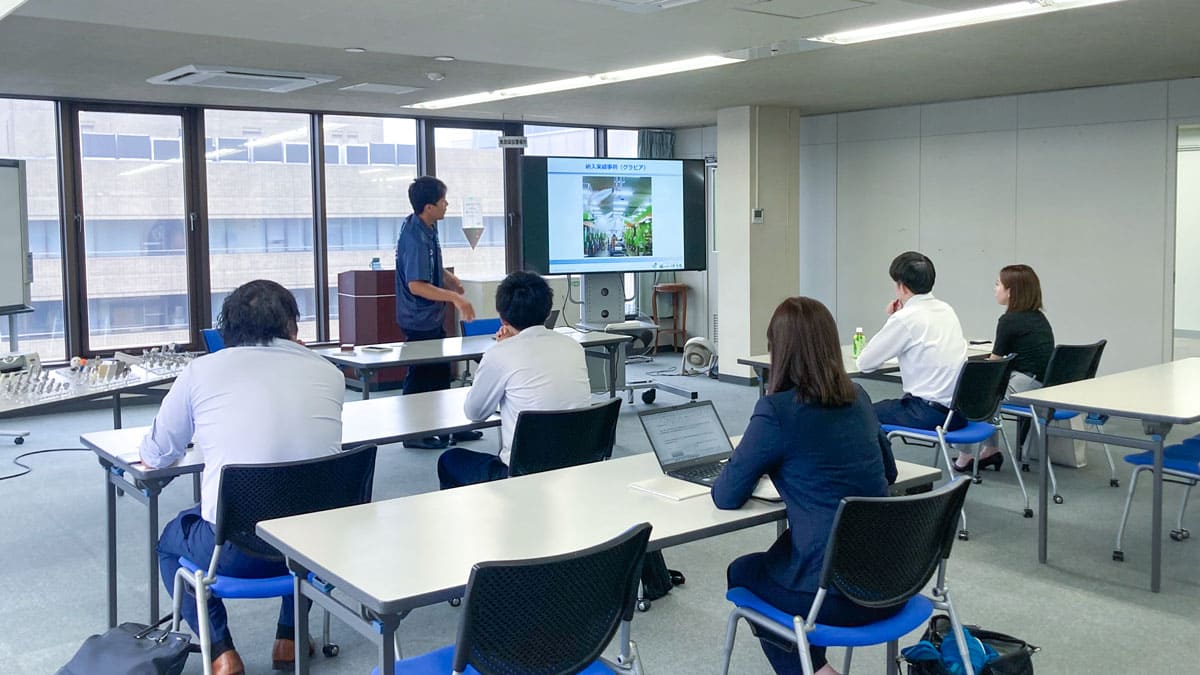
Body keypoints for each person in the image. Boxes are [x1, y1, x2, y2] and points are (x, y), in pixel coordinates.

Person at [140, 280, 344, 675]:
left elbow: (156, 454)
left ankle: (220, 651)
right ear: (293, 327)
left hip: (233, 552)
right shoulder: (329, 373)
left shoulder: (201, 372)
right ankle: (289, 637)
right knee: (302, 505)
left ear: (227, 329)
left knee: (169, 542)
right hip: (316, 552)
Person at [713, 297, 898, 675]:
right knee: (790, 556)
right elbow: (889, 472)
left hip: (836, 593)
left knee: (744, 572)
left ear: (778, 350)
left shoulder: (776, 411)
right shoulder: (859, 397)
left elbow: (726, 495)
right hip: (893, 579)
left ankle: (816, 670)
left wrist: (768, 465)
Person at [437, 270, 592, 489]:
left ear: (502, 317)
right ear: (548, 311)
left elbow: (475, 412)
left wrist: (503, 350)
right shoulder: (573, 347)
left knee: (450, 460)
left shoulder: (500, 354)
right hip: (578, 468)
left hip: (523, 476)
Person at [395, 175, 479, 450]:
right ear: (428, 206)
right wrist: (454, 297)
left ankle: (448, 427)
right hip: (418, 318)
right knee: (422, 376)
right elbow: (417, 285)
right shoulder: (414, 236)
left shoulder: (427, 227)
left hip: (430, 316)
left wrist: (448, 279)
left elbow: (430, 268)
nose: (447, 204)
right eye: (443, 200)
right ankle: (413, 434)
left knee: (441, 373)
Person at [954, 264, 1054, 472]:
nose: (995, 288)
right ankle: (990, 451)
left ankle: (965, 456)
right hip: (1044, 384)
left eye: (998, 284)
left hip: (1026, 385)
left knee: (973, 394)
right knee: (988, 392)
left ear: (1011, 291)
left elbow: (993, 365)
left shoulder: (1009, 320)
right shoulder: (1038, 317)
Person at [857, 251, 968, 432]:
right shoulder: (947, 309)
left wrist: (895, 318)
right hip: (958, 413)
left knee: (860, 413)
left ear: (903, 287)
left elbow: (865, 363)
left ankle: (876, 461)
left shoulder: (906, 318)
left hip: (927, 413)